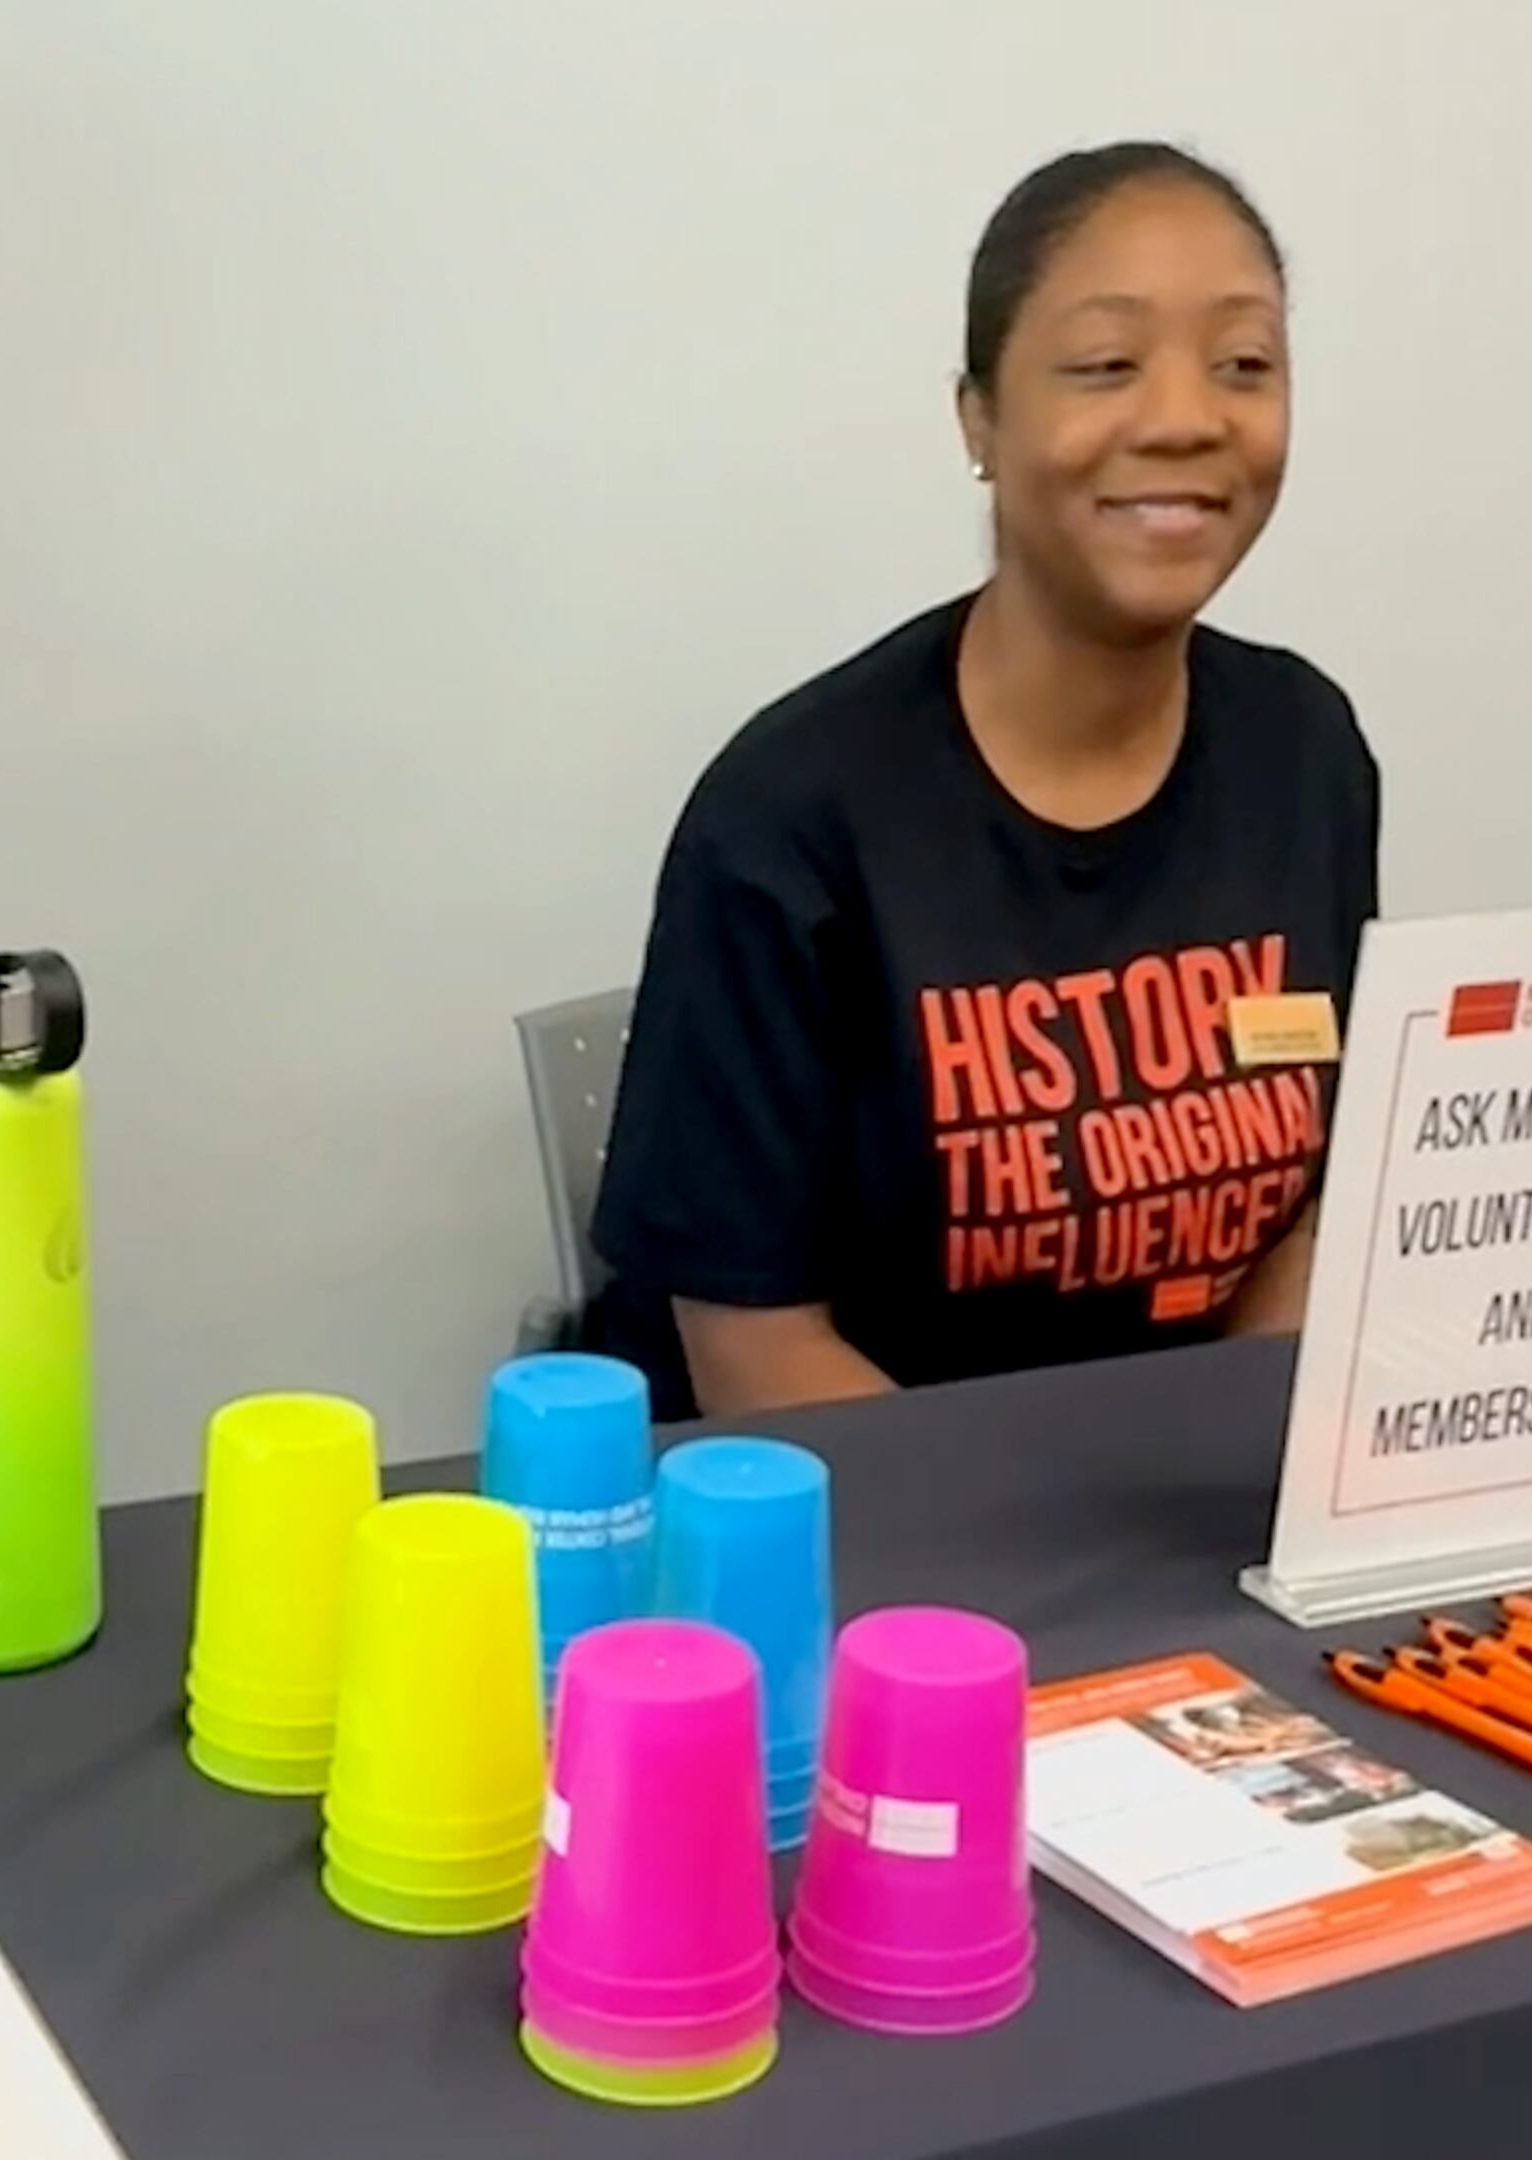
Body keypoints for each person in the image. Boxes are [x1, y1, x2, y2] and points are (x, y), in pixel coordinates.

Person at [588, 142, 1381, 1419]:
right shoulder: (791, 818)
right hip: (855, 1541)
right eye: (1106, 365)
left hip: (1170, 1532)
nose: (1187, 417)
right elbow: (750, 1352)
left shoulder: (1307, 751)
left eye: (1244, 363)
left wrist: (1224, 1476)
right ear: (980, 420)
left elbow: (1308, 1211)